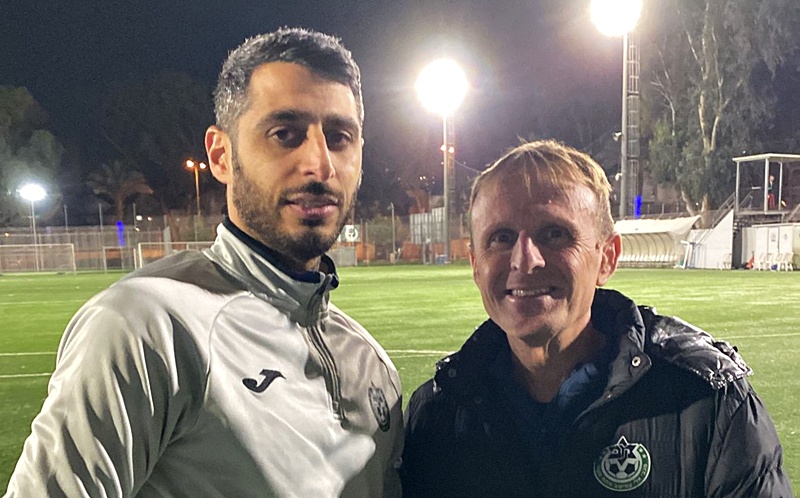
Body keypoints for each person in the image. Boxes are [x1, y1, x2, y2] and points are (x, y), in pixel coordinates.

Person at [5, 27, 403, 497]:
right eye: (285, 134)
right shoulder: (147, 327)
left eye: (339, 137)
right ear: (220, 155)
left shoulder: (372, 365)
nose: (321, 164)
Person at [401, 140, 792, 497]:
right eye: (501, 238)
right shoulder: (437, 414)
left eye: (554, 234)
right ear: (476, 265)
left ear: (607, 257)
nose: (525, 260)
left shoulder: (707, 400)